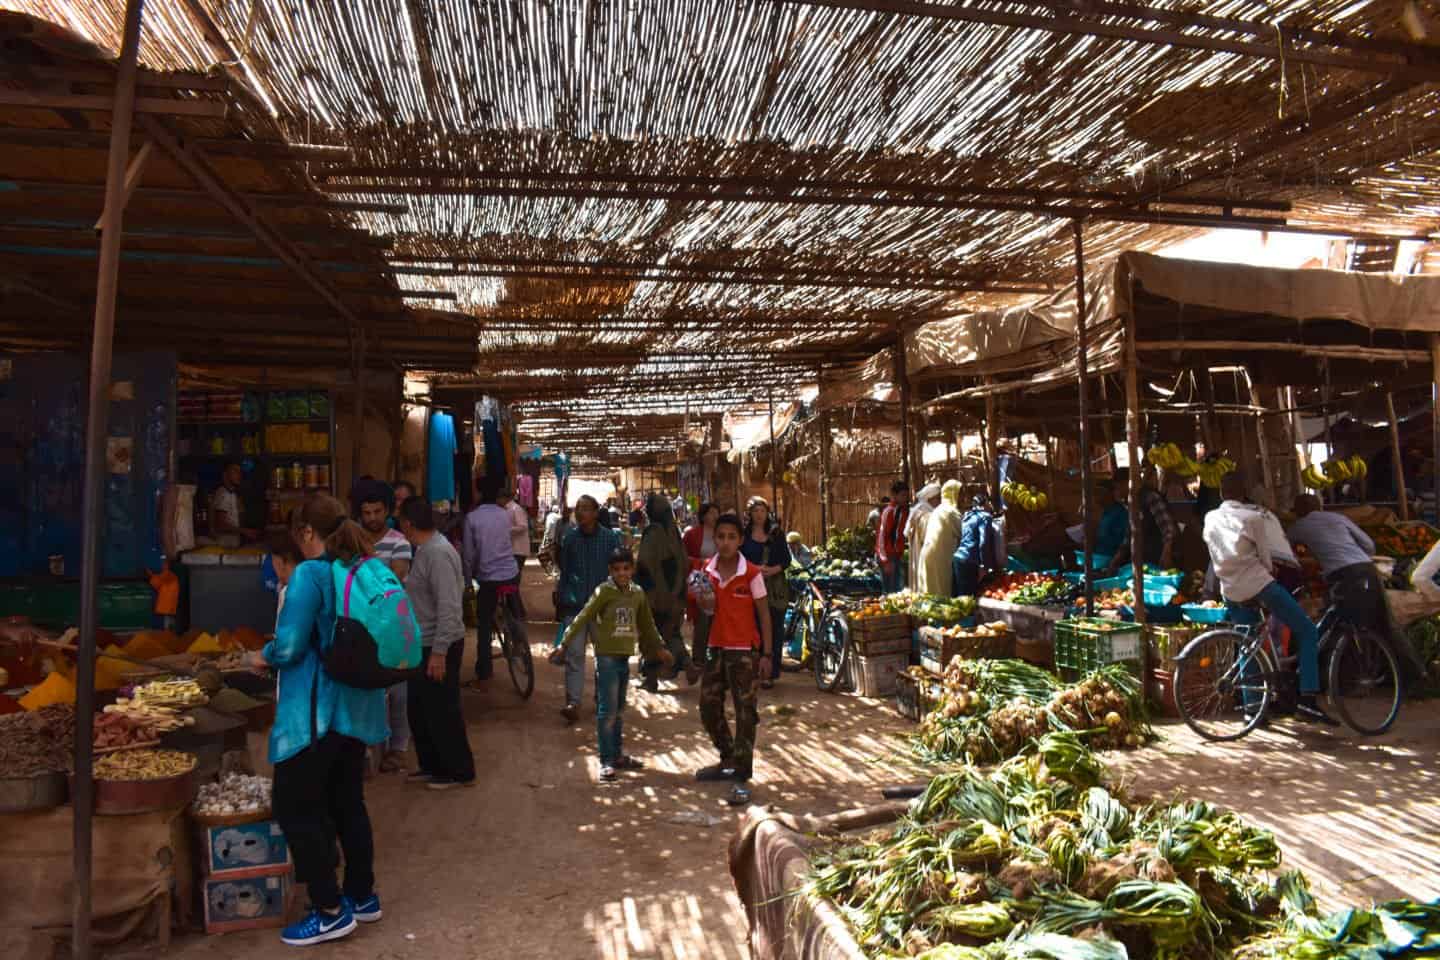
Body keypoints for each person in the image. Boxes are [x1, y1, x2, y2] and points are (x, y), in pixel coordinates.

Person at [251, 495, 386, 946]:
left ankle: (329, 910)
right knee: (347, 802)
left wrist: (262, 655)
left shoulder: (311, 573)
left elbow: (289, 647)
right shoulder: (358, 567)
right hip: (354, 710)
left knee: (294, 806)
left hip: (314, 714)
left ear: (307, 532)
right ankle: (362, 896)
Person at [1202, 474, 1332, 725]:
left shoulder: (1211, 517)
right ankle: (1307, 697)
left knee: (1247, 643)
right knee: (1306, 631)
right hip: (1258, 584)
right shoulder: (1254, 518)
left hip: (1229, 589)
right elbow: (1266, 560)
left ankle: (1252, 709)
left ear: (1221, 494)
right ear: (1243, 495)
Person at [561, 547, 673, 781]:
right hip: (606, 657)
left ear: (632, 569)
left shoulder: (637, 594)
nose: (622, 573)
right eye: (617, 569)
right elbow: (583, 616)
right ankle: (606, 761)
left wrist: (660, 647)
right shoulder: (604, 591)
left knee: (619, 709)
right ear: (610, 571)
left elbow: (647, 624)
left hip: (624, 657)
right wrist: (564, 643)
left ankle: (618, 755)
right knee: (607, 710)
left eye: (626, 568)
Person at [398, 497, 475, 790]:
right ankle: (432, 765)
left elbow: (449, 606)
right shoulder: (425, 550)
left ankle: (458, 771)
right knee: (420, 709)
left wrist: (439, 652)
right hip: (424, 641)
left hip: (438, 643)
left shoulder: (438, 553)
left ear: (407, 523)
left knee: (443, 709)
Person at [693, 513, 772, 797]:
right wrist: (703, 602)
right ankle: (727, 756)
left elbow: (764, 614)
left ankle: (742, 769)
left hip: (744, 653)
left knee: (746, 711)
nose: (725, 543)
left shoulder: (751, 573)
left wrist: (767, 654)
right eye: (721, 537)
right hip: (716, 648)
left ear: (740, 540)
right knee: (708, 706)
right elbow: (703, 611)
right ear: (714, 539)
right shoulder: (706, 570)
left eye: (731, 537)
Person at [552, 495, 622, 724]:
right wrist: (562, 601)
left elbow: (618, 572)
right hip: (576, 605)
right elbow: (564, 570)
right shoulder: (570, 539)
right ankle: (573, 702)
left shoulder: (610, 539)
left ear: (595, 512)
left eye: (585, 509)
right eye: (578, 509)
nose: (580, 513)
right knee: (574, 656)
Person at [1289, 495, 1390, 638]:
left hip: (1341, 575)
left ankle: (1338, 653)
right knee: (1380, 623)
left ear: (1298, 512)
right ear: (1319, 508)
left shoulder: (1297, 527)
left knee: (1341, 619)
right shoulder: (1338, 518)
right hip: (1367, 569)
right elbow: (1369, 546)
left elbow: (1287, 554)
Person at [462, 476, 519, 686]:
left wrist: (468, 581)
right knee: (512, 608)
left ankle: (484, 674)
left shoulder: (472, 518)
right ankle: (517, 634)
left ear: (478, 493)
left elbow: (468, 555)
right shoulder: (505, 515)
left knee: (484, 624)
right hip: (510, 572)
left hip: (488, 577)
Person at [636, 493, 693, 692]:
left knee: (650, 636)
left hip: (656, 596)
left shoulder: (653, 532)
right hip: (676, 595)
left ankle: (650, 679)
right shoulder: (674, 532)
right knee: (671, 632)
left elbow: (646, 564)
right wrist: (677, 590)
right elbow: (684, 563)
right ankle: (686, 663)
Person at [740, 496, 791, 687]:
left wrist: (772, 570)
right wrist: (754, 569)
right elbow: (739, 558)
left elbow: (786, 560)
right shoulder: (744, 535)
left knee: (775, 629)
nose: (759, 515)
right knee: (754, 629)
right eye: (755, 511)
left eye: (762, 511)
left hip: (774, 589)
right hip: (750, 587)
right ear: (750, 514)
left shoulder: (776, 534)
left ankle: (770, 672)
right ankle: (755, 669)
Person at [1111, 468, 1178, 571]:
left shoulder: (1150, 497)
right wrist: (1115, 561)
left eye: (1117, 487)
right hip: (1143, 560)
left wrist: (1167, 553)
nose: (1116, 491)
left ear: (1126, 483)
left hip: (1158, 557)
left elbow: (1168, 529)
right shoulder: (1130, 503)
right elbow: (1129, 537)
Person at [682, 502, 720, 674]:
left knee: (718, 619)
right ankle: (698, 658)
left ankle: (715, 656)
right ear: (704, 516)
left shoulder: (722, 533)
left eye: (716, 513)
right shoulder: (692, 534)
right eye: (711, 513)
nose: (714, 516)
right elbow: (683, 556)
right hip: (700, 580)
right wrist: (700, 562)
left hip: (720, 579)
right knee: (702, 619)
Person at [919, 481, 963, 596]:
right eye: (960, 494)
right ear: (953, 494)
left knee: (931, 594)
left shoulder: (939, 509)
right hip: (940, 558)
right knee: (942, 594)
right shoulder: (951, 512)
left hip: (928, 554)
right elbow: (963, 533)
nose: (963, 498)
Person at [954, 491, 997, 598]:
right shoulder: (985, 517)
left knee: (961, 598)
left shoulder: (967, 516)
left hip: (958, 558)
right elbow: (983, 542)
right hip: (970, 560)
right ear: (986, 503)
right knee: (969, 599)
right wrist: (984, 565)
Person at [498, 486, 531, 616]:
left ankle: (518, 612)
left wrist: (506, 530)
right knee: (512, 582)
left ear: (504, 498)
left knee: (512, 582)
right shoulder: (508, 509)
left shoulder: (515, 509)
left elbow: (523, 526)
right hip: (513, 550)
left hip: (518, 550)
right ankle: (517, 611)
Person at [876, 482, 911, 593]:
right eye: (902, 495)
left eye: (907, 495)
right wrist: (885, 560)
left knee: (897, 591)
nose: (905, 498)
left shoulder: (904, 511)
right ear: (894, 496)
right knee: (889, 591)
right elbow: (881, 537)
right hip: (887, 555)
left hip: (897, 555)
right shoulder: (889, 512)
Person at [905, 483, 942, 590]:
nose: (939, 501)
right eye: (937, 498)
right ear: (930, 499)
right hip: (922, 551)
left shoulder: (919, 510)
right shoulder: (924, 514)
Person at [211, 461, 257, 541]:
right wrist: (245, 531)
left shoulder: (232, 493)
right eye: (235, 471)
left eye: (240, 471)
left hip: (231, 544)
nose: (239, 475)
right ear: (225, 475)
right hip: (224, 545)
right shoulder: (224, 494)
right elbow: (221, 525)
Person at [1095, 479, 1130, 574]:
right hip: (1099, 561)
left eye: (1099, 493)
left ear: (1109, 494)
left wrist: (1113, 563)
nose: (1095, 496)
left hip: (1112, 564)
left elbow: (1124, 543)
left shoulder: (1120, 513)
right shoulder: (1105, 512)